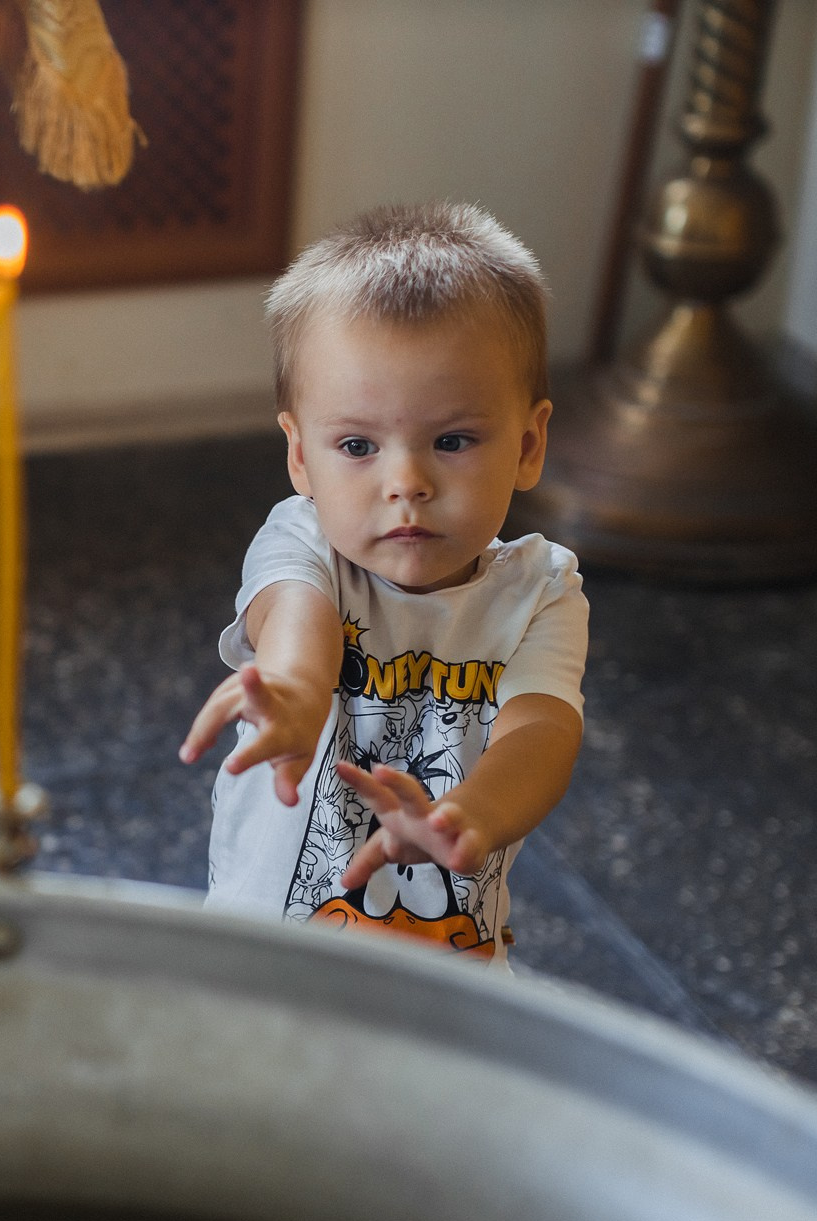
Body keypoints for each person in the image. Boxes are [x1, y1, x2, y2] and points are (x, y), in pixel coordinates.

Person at [178, 202, 588, 962]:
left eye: (452, 440)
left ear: (529, 444)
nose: (407, 481)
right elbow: (299, 635)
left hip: (449, 966)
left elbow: (542, 732)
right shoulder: (302, 542)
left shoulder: (542, 593)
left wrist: (465, 814)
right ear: (301, 457)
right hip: (268, 961)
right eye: (359, 444)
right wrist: (296, 699)